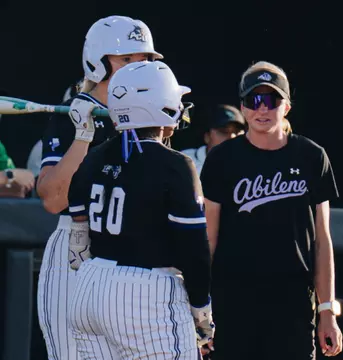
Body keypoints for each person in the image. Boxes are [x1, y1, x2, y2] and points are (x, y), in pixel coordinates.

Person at [35, 15, 164, 360]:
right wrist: (83, 135)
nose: (137, 69)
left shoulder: (153, 113)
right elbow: (51, 200)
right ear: (98, 63)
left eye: (144, 62)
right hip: (77, 245)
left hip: (133, 248)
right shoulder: (73, 113)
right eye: (126, 60)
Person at [65, 60, 214, 359]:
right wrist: (201, 308)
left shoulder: (95, 155)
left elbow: (76, 209)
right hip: (144, 295)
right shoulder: (176, 164)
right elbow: (194, 249)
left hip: (89, 287)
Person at [199, 60, 343, 359]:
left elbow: (322, 240)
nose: (262, 109)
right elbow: (207, 238)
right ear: (243, 106)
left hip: (293, 304)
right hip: (233, 303)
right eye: (254, 100)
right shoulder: (221, 160)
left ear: (286, 106)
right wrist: (199, 305)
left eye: (271, 100)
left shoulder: (312, 156)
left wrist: (327, 309)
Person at [181, 104, 246, 175]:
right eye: (224, 131)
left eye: (237, 132)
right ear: (207, 137)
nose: (232, 136)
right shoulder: (183, 162)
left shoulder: (251, 164)